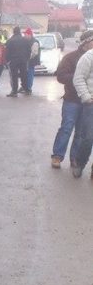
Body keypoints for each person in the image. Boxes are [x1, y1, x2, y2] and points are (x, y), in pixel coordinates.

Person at [51, 30, 93, 169]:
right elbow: (60, 76)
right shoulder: (70, 57)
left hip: (88, 103)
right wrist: (79, 79)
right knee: (66, 128)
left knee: (81, 132)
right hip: (72, 100)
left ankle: (74, 159)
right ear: (85, 42)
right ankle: (57, 156)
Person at [71, 44, 93, 178]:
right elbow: (78, 79)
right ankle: (80, 163)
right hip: (91, 104)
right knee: (88, 137)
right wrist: (87, 98)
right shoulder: (88, 57)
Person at [4, 26, 32, 97]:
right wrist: (27, 58)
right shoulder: (25, 40)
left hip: (13, 61)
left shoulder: (10, 41)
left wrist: (7, 60)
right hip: (23, 60)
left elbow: (7, 52)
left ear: (14, 32)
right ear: (19, 31)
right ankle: (26, 90)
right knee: (24, 75)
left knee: (14, 76)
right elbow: (29, 50)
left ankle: (14, 91)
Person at [24, 28, 39, 94]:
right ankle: (25, 87)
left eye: (26, 34)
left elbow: (34, 53)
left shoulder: (34, 42)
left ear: (29, 34)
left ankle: (29, 88)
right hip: (27, 61)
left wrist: (28, 58)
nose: (24, 35)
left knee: (30, 74)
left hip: (31, 61)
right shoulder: (27, 41)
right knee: (26, 74)